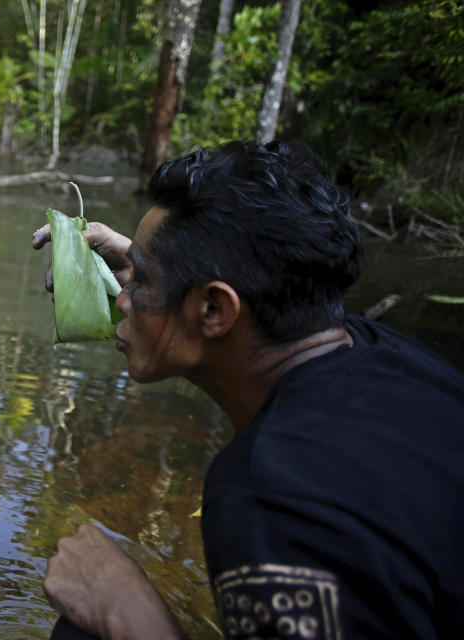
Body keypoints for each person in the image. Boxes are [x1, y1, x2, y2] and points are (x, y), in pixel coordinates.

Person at [31, 141, 464, 640]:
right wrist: (154, 269)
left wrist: (127, 611)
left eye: (140, 281)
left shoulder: (269, 497)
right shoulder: (386, 354)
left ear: (215, 310)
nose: (122, 298)